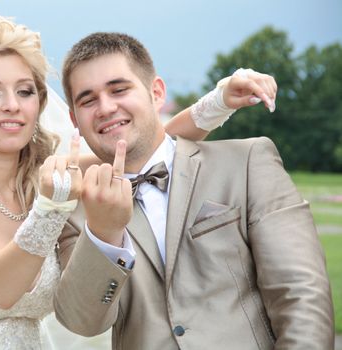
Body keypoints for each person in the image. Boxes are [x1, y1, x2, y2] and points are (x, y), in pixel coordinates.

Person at [0, 15, 242, 349]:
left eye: (25, 91)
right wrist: (50, 208)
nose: (12, 106)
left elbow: (146, 146)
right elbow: (1, 289)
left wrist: (219, 102)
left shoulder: (45, 179)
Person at [54, 32, 334, 349]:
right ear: (74, 118)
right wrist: (104, 232)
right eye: (88, 100)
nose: (105, 107)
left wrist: (216, 103)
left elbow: (301, 295)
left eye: (119, 89)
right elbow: (83, 321)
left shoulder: (245, 164)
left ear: (156, 92)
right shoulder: (76, 210)